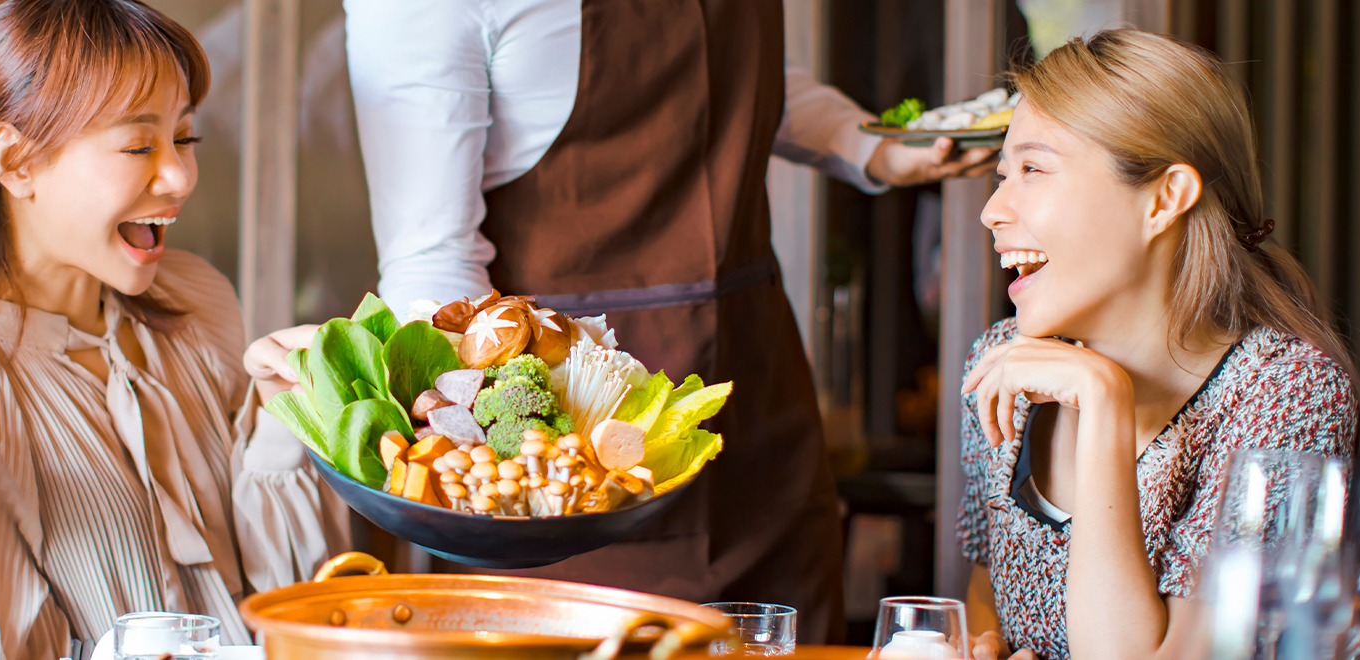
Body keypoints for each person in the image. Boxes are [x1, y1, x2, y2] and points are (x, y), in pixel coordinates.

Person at [328, 0, 993, 640]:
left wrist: (867, 145)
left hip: (758, 410)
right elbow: (432, 265)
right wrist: (517, 476)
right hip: (574, 461)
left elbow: (743, 79)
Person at [0, 1, 346, 657]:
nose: (180, 175)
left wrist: (284, 422)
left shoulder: (199, 301)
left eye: (185, 138)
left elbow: (301, 609)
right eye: (138, 145)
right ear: (16, 161)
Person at [957, 29, 1360, 660]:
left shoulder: (1284, 392)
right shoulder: (1004, 361)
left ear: (1165, 198)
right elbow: (984, 602)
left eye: (1033, 170)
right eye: (1001, 173)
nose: (992, 209)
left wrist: (1103, 401)